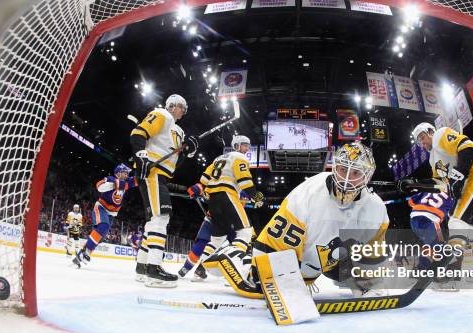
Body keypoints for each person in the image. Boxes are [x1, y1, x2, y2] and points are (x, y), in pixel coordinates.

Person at [208, 141, 390, 299]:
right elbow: (276, 245)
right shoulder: (308, 193)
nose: (346, 180)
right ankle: (234, 256)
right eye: (343, 170)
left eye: (355, 173)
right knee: (260, 286)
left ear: (367, 176)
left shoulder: (375, 208)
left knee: (357, 272)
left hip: (325, 259)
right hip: (289, 252)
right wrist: (285, 281)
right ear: (335, 168)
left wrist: (369, 280)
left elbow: (371, 251)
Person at [406, 122, 473, 281]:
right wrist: (415, 184)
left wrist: (458, 177)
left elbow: (467, 147)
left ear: (430, 131)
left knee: (456, 220)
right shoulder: (432, 159)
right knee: (472, 226)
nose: (422, 143)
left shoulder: (440, 134)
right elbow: (440, 184)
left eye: (422, 137)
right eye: (419, 141)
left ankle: (451, 267)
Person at [130, 94, 197, 287]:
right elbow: (138, 133)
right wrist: (141, 156)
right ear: (173, 106)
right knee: (161, 218)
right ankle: (153, 270)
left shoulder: (179, 131)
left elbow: (176, 162)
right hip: (153, 173)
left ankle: (143, 268)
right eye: (182, 107)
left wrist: (187, 150)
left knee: (154, 220)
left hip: (162, 175)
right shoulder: (162, 114)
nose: (184, 111)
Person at [190, 135, 263, 277]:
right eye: (244, 145)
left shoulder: (218, 159)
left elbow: (203, 179)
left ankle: (200, 269)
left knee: (217, 239)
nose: (247, 148)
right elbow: (245, 182)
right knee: (246, 231)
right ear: (237, 145)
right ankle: (235, 266)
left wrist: (198, 189)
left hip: (213, 200)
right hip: (227, 196)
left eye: (248, 145)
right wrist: (257, 197)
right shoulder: (240, 158)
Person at [72, 164, 137, 268]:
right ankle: (88, 251)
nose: (127, 175)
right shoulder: (111, 179)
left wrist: (146, 170)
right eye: (125, 172)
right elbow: (99, 187)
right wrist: (116, 184)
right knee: (103, 226)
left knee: (100, 236)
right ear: (119, 173)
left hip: (112, 213)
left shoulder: (127, 182)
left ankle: (80, 255)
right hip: (101, 207)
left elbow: (138, 180)